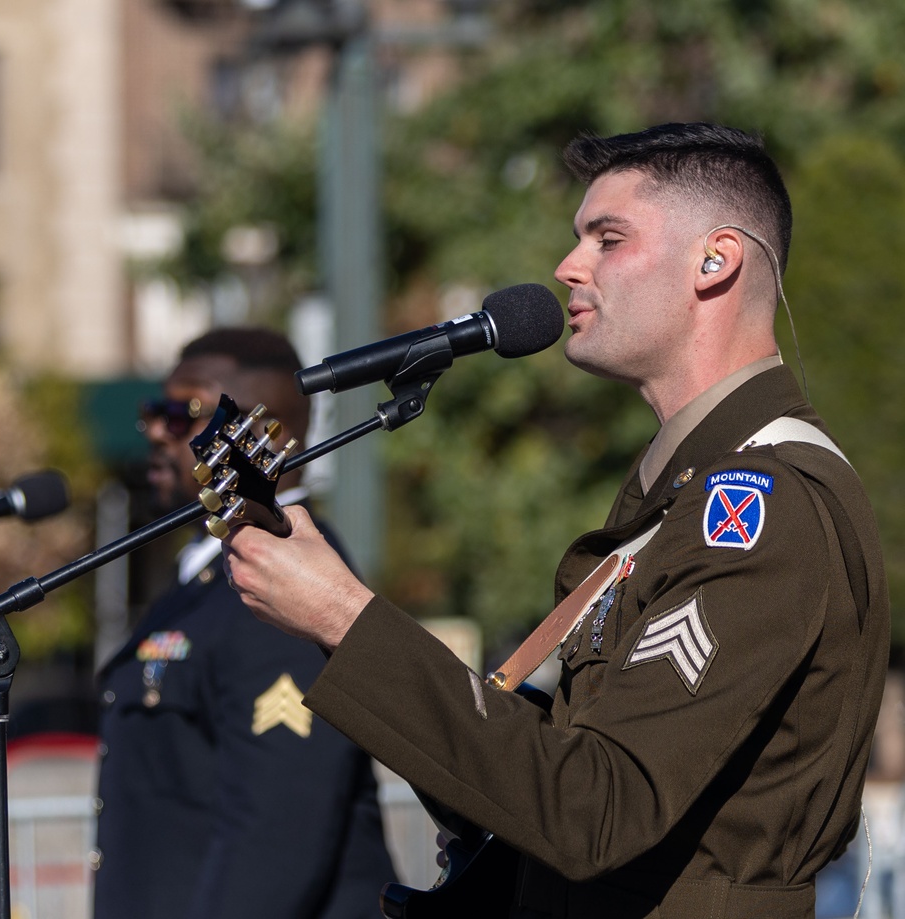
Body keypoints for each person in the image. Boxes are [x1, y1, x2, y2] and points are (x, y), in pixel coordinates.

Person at [220, 123, 890, 919]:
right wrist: (338, 629)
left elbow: (596, 812)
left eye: (609, 238)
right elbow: (555, 779)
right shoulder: (680, 488)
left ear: (715, 261)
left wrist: (343, 613)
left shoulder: (755, 507)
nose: (568, 267)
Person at [92, 327, 397, 919]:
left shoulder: (288, 583)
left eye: (180, 415)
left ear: (265, 436)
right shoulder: (204, 579)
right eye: (153, 412)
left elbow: (277, 833)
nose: (154, 431)